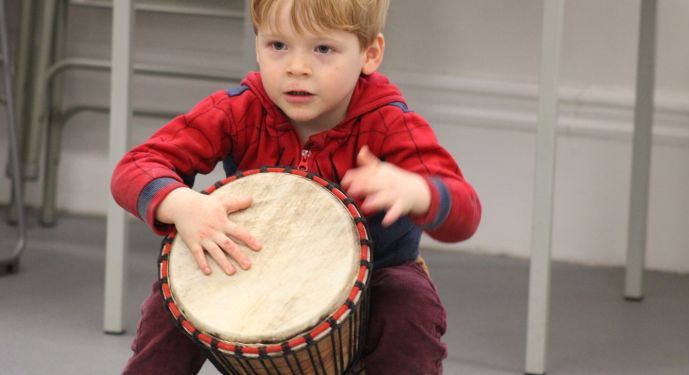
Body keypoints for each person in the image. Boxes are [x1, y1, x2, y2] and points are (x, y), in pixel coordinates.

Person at [111, 0, 481, 373]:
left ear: (369, 54)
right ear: (257, 47)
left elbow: (466, 213)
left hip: (376, 274)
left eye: (323, 49)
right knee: (174, 299)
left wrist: (420, 192)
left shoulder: (389, 124)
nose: (296, 68)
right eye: (278, 46)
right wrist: (181, 204)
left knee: (408, 300)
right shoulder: (238, 111)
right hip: (253, 266)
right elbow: (135, 167)